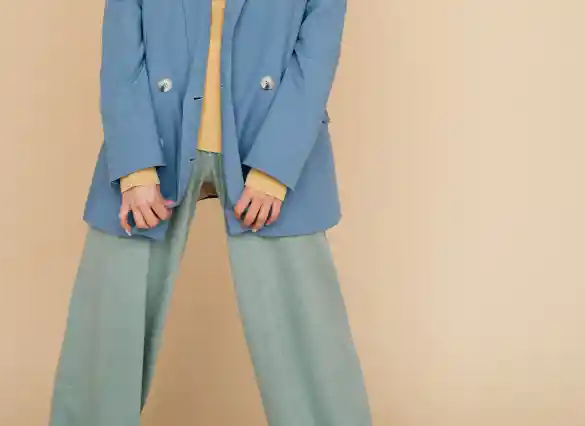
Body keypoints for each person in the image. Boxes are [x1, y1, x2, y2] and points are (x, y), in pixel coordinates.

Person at [50, 0, 372, 424]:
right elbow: (121, 52)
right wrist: (134, 166)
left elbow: (314, 61)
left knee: (305, 325)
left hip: (270, 146)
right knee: (110, 319)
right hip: (154, 143)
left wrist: (275, 168)